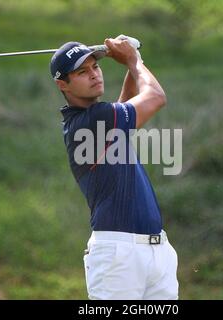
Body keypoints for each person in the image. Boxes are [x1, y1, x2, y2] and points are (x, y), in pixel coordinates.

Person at [50, 36, 179, 300]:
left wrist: (132, 62)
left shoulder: (100, 119)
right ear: (62, 84)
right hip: (118, 256)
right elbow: (155, 97)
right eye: (82, 72)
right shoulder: (90, 121)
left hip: (157, 251)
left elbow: (126, 103)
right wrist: (132, 59)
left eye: (95, 67)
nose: (94, 75)